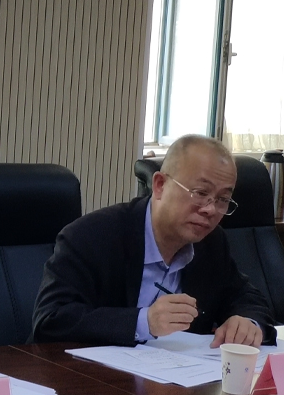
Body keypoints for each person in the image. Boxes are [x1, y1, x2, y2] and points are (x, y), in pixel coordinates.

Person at [32, 135, 276, 348]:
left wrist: (247, 322)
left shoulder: (211, 242)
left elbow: (245, 296)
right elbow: (51, 320)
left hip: (177, 379)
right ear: (160, 185)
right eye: (200, 193)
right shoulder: (92, 236)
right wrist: (143, 322)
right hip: (88, 378)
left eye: (222, 199)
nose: (210, 209)